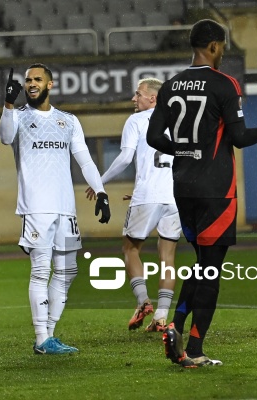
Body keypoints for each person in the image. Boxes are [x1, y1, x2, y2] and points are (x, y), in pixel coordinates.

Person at [146, 19, 257, 368]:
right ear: (213, 46)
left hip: (183, 188)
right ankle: (194, 351)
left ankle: (176, 327)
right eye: (222, 46)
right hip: (216, 191)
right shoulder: (225, 84)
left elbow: (154, 137)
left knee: (201, 264)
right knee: (211, 271)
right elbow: (239, 139)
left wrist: (182, 150)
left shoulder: (171, 85)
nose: (223, 51)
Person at [0, 63, 111, 355]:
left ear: (50, 84)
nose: (31, 83)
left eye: (37, 79)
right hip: (37, 208)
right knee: (40, 271)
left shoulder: (68, 121)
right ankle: (40, 338)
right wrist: (8, 105)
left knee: (67, 271)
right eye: (27, 80)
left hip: (65, 209)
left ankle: (49, 334)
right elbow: (5, 137)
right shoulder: (19, 117)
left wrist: (100, 191)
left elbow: (84, 160)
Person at [86, 78, 180, 333]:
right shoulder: (178, 121)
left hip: (148, 196)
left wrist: (99, 182)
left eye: (138, 94)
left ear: (152, 98)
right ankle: (161, 317)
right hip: (174, 197)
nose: (133, 99)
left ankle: (142, 302)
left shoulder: (137, 121)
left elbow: (126, 157)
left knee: (130, 249)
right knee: (167, 258)